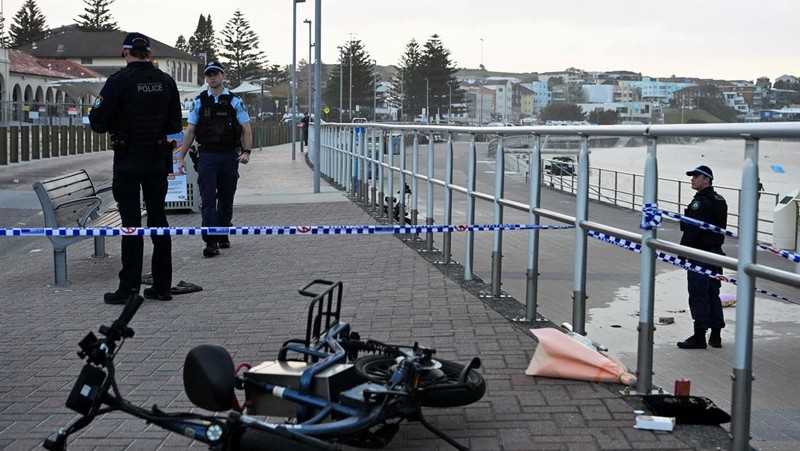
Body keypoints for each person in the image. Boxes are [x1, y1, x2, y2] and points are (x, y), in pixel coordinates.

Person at [89, 32, 182, 304]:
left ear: (125, 52)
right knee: (158, 222)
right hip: (156, 159)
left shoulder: (118, 82)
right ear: (149, 54)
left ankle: (128, 290)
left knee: (131, 226)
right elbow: (175, 125)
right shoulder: (166, 81)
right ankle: (162, 285)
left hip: (128, 161)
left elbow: (97, 121)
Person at [177, 61, 252, 258]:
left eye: (215, 74)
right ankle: (211, 241)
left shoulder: (234, 101)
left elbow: (246, 127)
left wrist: (247, 151)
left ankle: (223, 232)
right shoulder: (199, 102)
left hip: (229, 156)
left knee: (226, 198)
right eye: (209, 75)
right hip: (207, 156)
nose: (212, 78)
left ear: (223, 76)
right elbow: (191, 130)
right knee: (208, 199)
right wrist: (181, 157)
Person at [677, 165, 728, 349]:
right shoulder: (719, 199)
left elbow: (692, 229)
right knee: (713, 293)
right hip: (716, 253)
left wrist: (683, 253)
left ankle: (699, 335)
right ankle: (716, 335)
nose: (692, 179)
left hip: (700, 252)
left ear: (707, 179)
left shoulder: (701, 201)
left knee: (699, 292)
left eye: (696, 176)